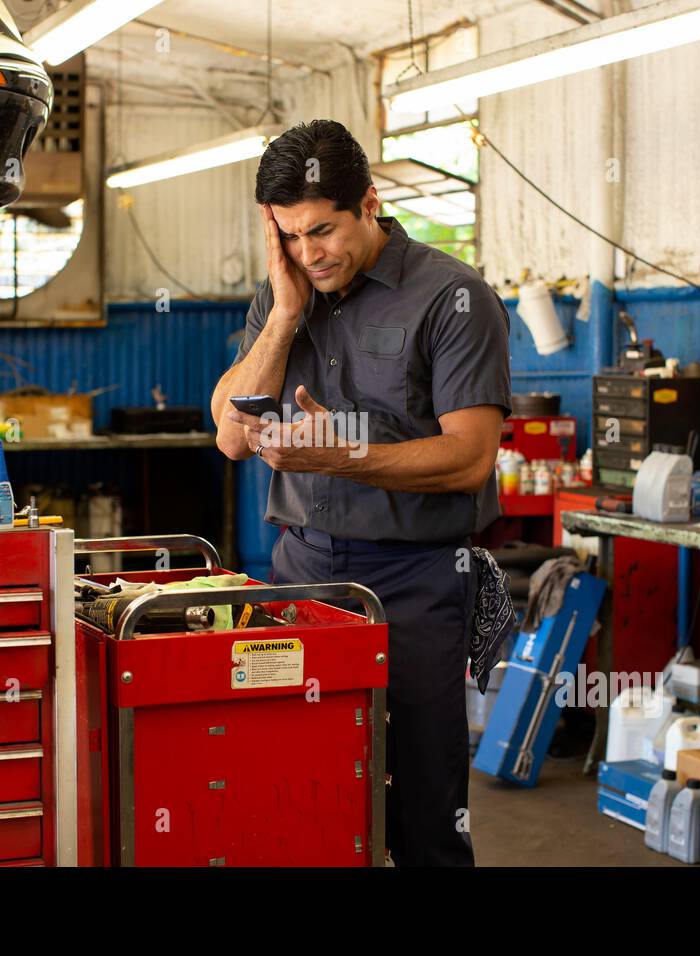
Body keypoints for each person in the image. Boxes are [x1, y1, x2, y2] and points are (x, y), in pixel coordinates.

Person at [210, 119, 511, 866]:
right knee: (302, 789)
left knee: (424, 806)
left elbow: (469, 458)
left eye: (323, 231)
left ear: (369, 203)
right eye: (289, 236)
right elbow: (228, 432)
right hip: (303, 573)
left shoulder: (453, 297)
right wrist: (283, 317)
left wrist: (349, 459)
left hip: (416, 583)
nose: (310, 254)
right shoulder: (283, 295)